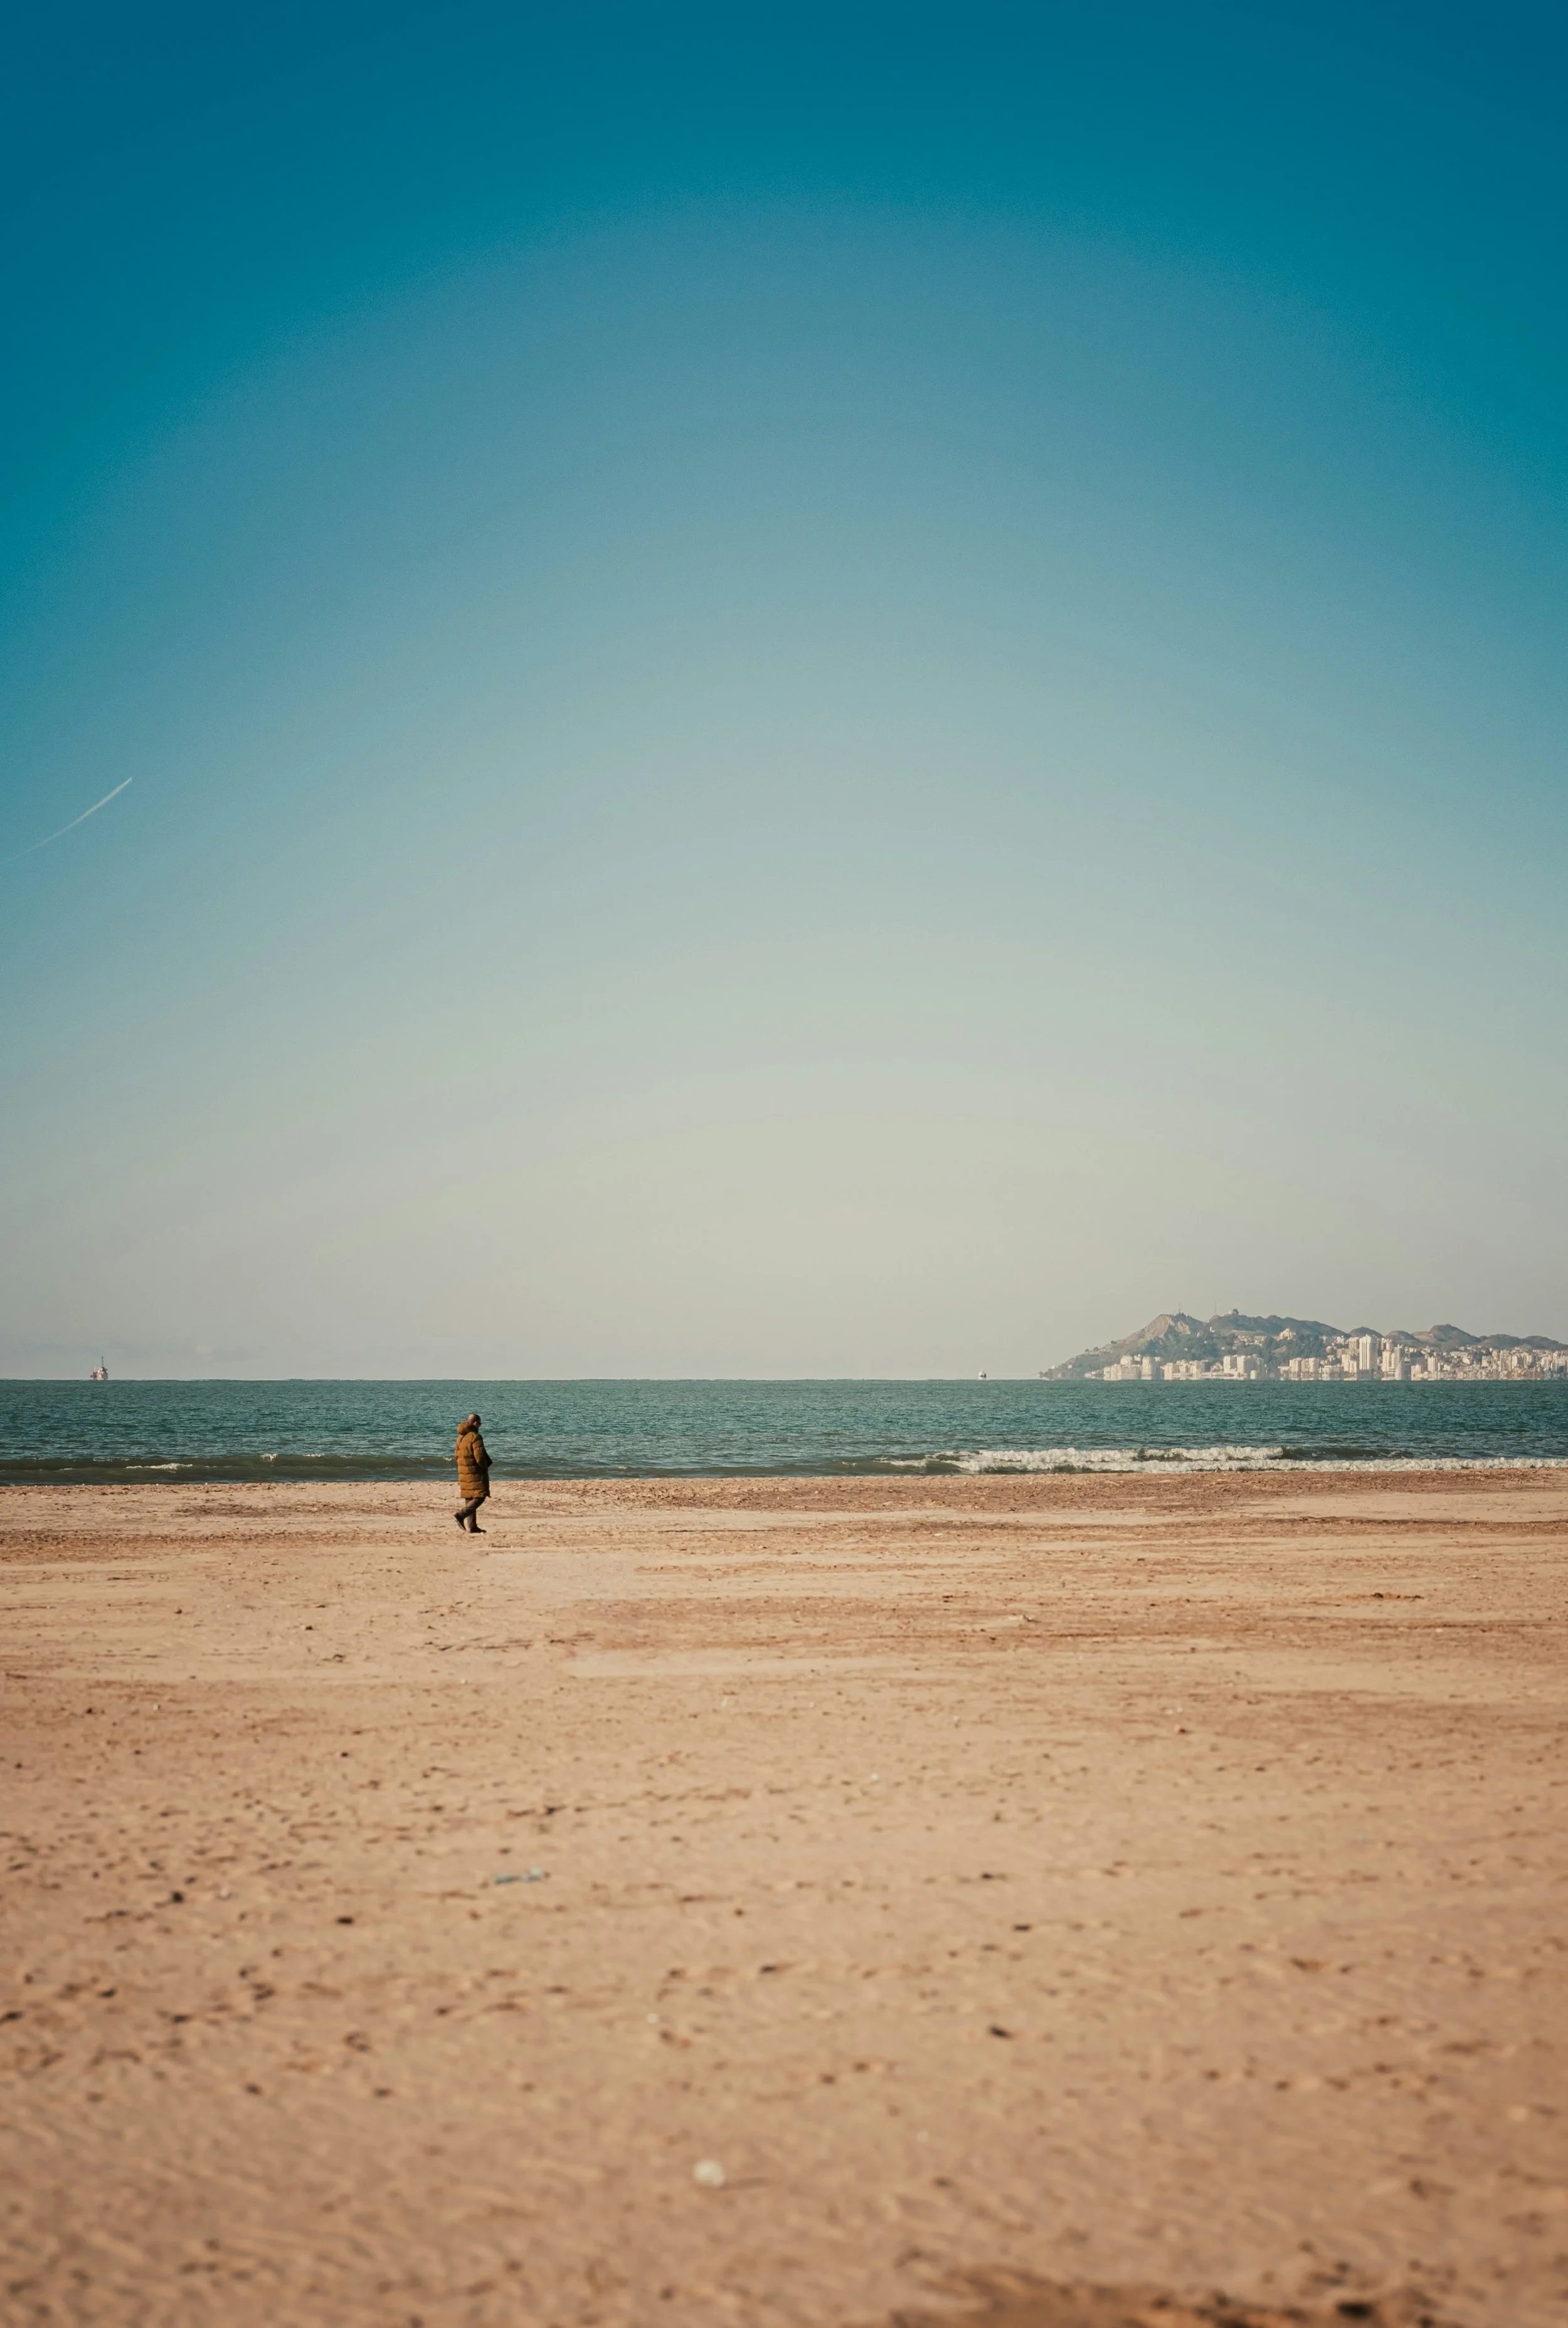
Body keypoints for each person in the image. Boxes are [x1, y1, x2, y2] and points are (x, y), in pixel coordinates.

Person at [454, 1412, 491, 1533]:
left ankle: (473, 1527)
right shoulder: (475, 1436)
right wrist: (485, 1466)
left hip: (463, 1470)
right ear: (475, 1423)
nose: (480, 1425)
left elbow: (456, 1455)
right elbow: (479, 1457)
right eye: (480, 1423)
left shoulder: (461, 1437)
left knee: (469, 1497)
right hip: (475, 1471)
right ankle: (460, 1515)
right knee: (481, 1496)